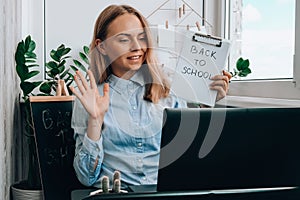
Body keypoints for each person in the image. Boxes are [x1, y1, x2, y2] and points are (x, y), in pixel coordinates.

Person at [70, 4, 231, 188]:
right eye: (124, 39)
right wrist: (95, 121)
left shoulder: (169, 89)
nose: (137, 47)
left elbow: (193, 155)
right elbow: (86, 177)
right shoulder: (90, 97)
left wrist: (207, 101)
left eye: (141, 38)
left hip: (165, 192)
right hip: (116, 194)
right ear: (102, 47)